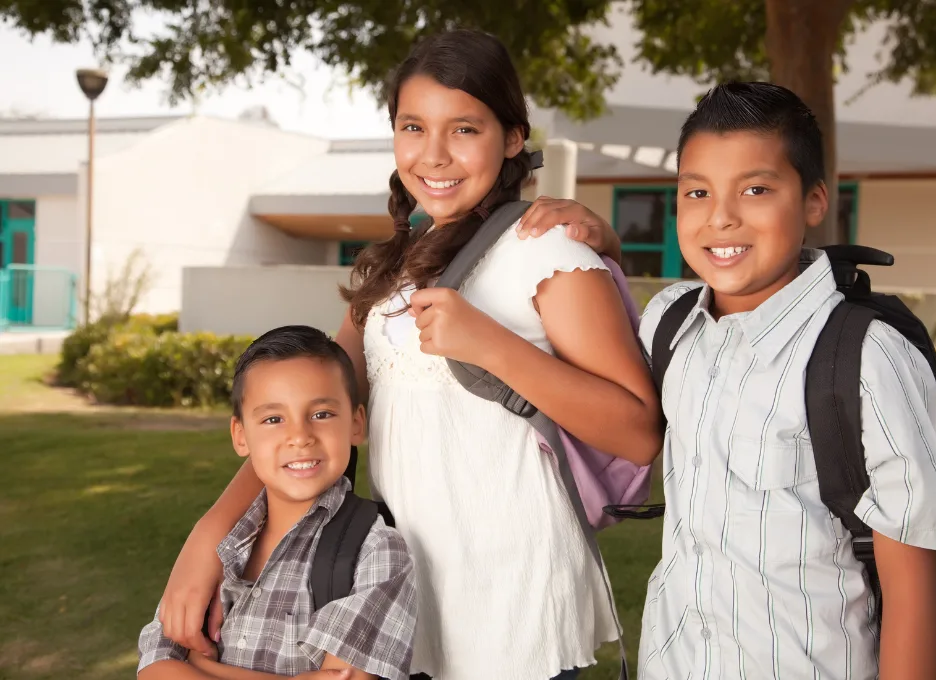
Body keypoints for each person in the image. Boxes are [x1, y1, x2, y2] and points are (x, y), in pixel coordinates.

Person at [152, 29, 662, 680]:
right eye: (413, 127)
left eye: (465, 130)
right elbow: (311, 408)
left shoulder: (552, 253)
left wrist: (493, 346)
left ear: (511, 139)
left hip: (512, 611)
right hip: (391, 599)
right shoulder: (393, 270)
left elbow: (639, 431)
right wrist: (208, 539)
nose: (435, 154)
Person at [635, 82, 936, 680]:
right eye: (697, 192)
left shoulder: (867, 357)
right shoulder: (671, 322)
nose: (721, 217)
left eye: (756, 189)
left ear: (815, 201)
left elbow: (915, 590)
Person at [137, 326, 417, 680]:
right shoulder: (223, 547)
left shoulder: (375, 551)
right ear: (241, 436)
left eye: (321, 414)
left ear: (356, 424)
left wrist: (200, 664)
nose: (300, 437)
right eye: (273, 419)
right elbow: (153, 667)